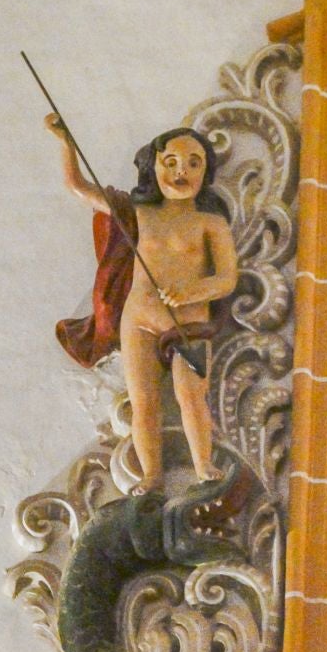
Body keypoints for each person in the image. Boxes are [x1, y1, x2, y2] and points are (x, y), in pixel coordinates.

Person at [49, 115, 239, 494]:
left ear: (206, 172)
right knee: (144, 400)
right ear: (155, 167)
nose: (181, 171)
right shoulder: (139, 214)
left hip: (188, 321)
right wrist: (66, 142)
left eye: (193, 163)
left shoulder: (210, 224)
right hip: (139, 319)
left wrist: (191, 292)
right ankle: (152, 475)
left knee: (190, 395)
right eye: (171, 162)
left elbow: (226, 279)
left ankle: (204, 465)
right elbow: (77, 187)